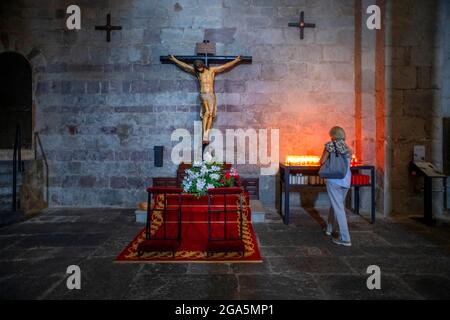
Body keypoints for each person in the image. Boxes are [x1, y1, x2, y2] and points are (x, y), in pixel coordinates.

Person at [169, 55, 242, 144]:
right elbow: (185, 66)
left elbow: (225, 66)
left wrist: (236, 60)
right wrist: (174, 59)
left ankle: (206, 135)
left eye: (200, 67)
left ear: (203, 65)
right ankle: (204, 134)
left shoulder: (212, 71)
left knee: (211, 114)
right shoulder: (197, 73)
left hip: (211, 95)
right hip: (203, 94)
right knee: (207, 112)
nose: (199, 69)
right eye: (198, 68)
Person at [319, 126, 352, 247]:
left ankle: (345, 238)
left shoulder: (330, 145)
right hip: (346, 180)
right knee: (337, 205)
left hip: (334, 180)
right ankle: (329, 229)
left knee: (339, 208)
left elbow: (322, 161)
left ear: (332, 135)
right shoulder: (348, 148)